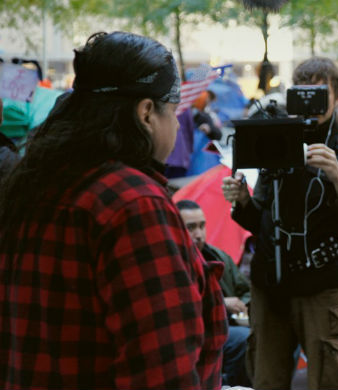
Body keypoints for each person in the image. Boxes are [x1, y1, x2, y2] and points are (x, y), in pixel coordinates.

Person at [0, 31, 227, 389]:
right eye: (173, 111)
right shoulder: (134, 203)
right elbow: (162, 369)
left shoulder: (32, 184)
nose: (175, 124)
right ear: (147, 113)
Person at [222, 56, 338, 389]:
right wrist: (243, 201)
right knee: (266, 378)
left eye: (320, 93)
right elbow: (262, 218)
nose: (311, 103)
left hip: (321, 285)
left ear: (337, 96)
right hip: (269, 286)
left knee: (334, 379)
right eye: (303, 93)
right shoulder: (277, 138)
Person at [177, 199, 252, 387]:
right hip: (194, 332)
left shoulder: (218, 256)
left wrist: (242, 305)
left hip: (229, 324)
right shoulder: (174, 261)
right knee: (243, 339)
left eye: (202, 226)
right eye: (191, 227)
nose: (199, 234)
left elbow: (246, 291)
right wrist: (223, 303)